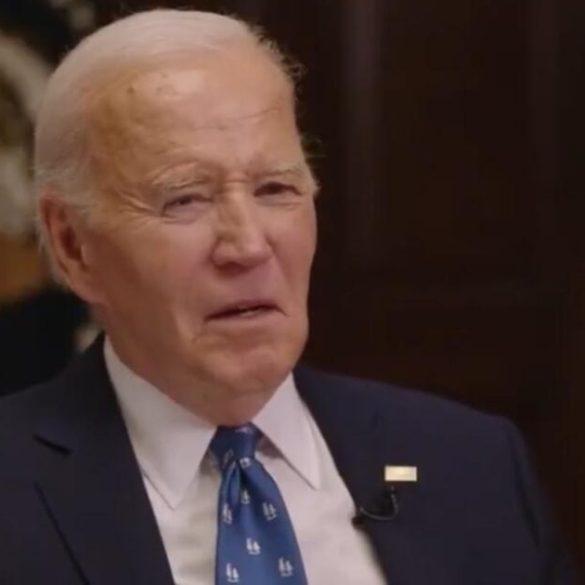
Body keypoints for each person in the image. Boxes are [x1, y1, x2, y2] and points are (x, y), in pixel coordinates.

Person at [0, 9, 576, 585]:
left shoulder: (472, 463)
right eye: (184, 199)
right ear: (73, 247)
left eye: (276, 189)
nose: (249, 246)